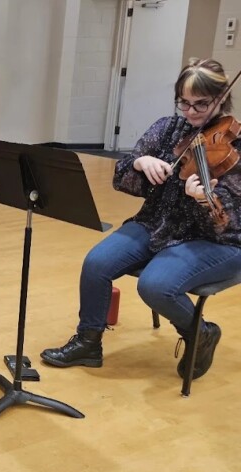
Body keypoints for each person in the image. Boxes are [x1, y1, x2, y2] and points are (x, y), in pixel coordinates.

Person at [41, 58, 241, 381]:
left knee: (156, 285)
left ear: (222, 99)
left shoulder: (235, 147)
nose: (190, 113)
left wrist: (206, 200)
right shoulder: (167, 129)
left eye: (201, 104)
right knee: (96, 263)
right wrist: (140, 164)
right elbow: (122, 173)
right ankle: (88, 342)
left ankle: (201, 333)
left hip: (214, 241)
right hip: (157, 224)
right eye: (184, 103)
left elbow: (229, 221)